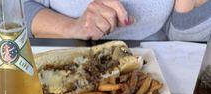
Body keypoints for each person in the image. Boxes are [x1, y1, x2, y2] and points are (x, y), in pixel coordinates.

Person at [23, 0, 211, 41]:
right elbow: (10, 8)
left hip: (155, 76)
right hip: (63, 63)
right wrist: (71, 28)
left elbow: (181, 38)